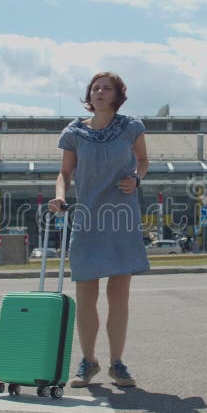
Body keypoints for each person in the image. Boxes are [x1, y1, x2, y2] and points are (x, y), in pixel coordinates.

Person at [48, 71, 149, 388]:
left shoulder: (132, 127)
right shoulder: (74, 132)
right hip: (88, 220)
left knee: (119, 297)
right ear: (89, 96)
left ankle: (117, 363)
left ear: (118, 94)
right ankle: (88, 361)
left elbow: (143, 161)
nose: (100, 91)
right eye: (95, 88)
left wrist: (137, 178)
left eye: (106, 88)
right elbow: (64, 173)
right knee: (86, 294)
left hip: (121, 219)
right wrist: (61, 196)